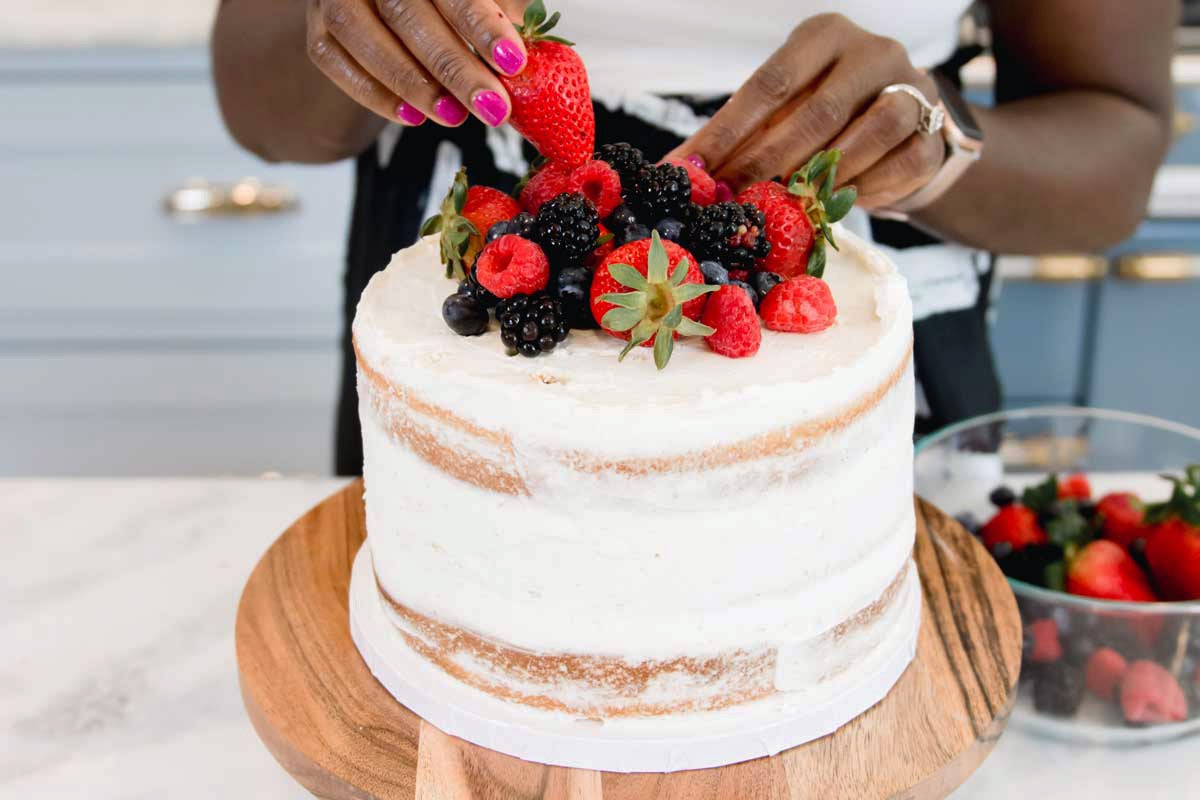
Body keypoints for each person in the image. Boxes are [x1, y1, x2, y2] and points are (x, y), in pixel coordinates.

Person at [212, 0, 1177, 475]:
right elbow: (259, 107)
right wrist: (347, 23)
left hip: (842, 230)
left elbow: (1117, 146)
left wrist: (940, 149)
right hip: (485, 231)